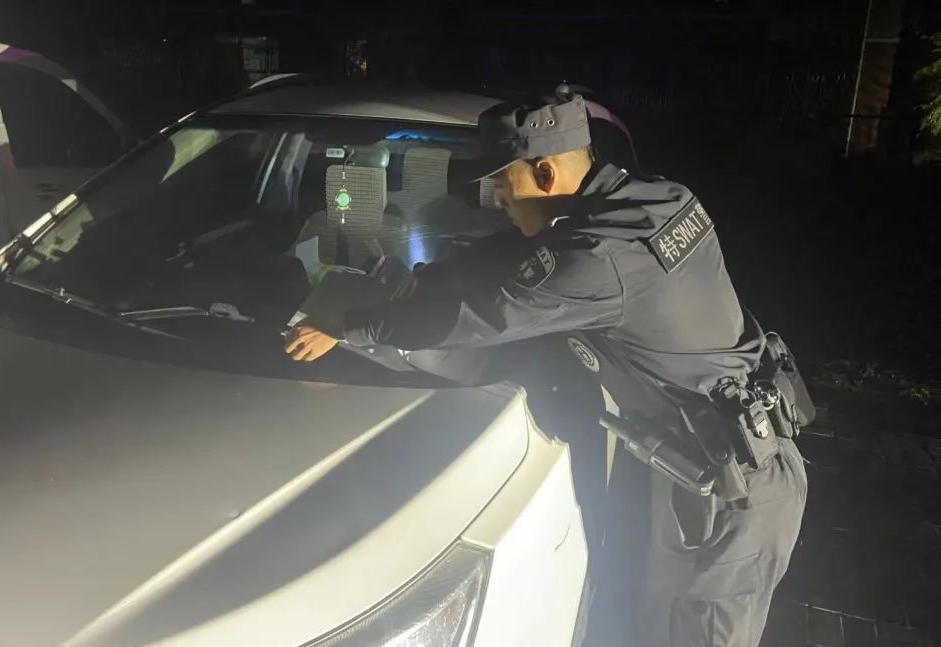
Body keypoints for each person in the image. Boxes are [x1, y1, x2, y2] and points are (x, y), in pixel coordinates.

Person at [285, 90, 807, 647]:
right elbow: (523, 251)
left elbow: (482, 315)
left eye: (501, 184)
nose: (497, 201)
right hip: (729, 464)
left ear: (544, 172)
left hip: (729, 504)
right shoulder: (659, 201)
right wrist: (437, 272)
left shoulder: (601, 261)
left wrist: (349, 326)